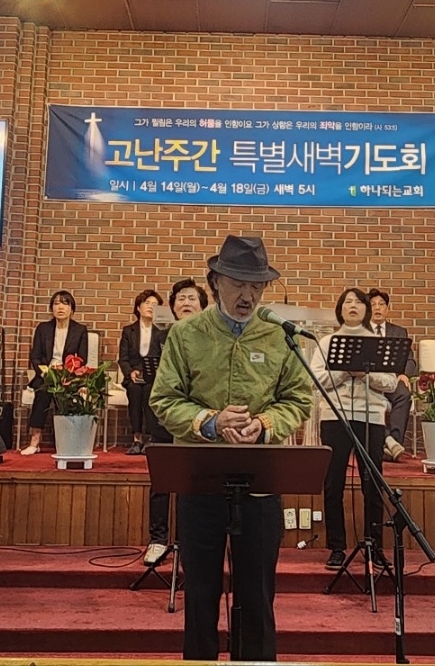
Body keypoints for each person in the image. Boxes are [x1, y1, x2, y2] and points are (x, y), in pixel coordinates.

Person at [149, 235, 313, 662]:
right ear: (215, 281)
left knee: (257, 597)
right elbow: (164, 400)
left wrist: (265, 424)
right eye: (238, 283)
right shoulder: (186, 334)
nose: (248, 295)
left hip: (260, 484)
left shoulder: (279, 336)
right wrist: (211, 421)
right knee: (200, 594)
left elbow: (298, 400)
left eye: (257, 286)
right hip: (200, 480)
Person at [311, 287, 397, 571]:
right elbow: (315, 379)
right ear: (340, 309)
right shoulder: (327, 342)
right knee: (333, 482)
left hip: (370, 417)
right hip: (334, 416)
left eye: (359, 302)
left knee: (372, 482)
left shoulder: (377, 343)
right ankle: (336, 547)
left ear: (366, 310)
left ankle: (375, 546)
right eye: (347, 302)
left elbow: (390, 383)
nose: (353, 306)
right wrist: (344, 370)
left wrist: (363, 374)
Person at [139, 278, 209, 567]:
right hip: (165, 417)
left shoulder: (209, 338)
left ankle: (185, 541)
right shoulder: (160, 337)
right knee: (162, 481)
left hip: (197, 421)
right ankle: (158, 539)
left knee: (191, 484)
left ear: (203, 306)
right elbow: (152, 377)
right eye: (181, 299)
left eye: (192, 298)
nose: (186, 303)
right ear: (172, 306)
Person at [22, 290, 89, 455]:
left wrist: (67, 373)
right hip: (46, 374)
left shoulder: (80, 330)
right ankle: (35, 441)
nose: (60, 307)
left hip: (69, 375)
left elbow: (82, 358)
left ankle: (69, 441)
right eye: (56, 303)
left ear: (72, 309)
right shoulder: (43, 328)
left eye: (65, 304)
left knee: (68, 395)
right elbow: (35, 356)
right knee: (43, 392)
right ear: (51, 308)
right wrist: (44, 372)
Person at [367, 288, 416, 462]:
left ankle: (395, 443)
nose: (377, 308)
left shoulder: (399, 331)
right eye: (373, 304)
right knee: (362, 399)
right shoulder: (361, 331)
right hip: (369, 380)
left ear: (387, 309)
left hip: (392, 379)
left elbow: (410, 359)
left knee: (404, 394)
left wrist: (404, 375)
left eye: (381, 304)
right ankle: (386, 440)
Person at [118, 289, 164, 455]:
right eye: (147, 303)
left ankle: (152, 437)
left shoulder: (162, 331)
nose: (151, 307)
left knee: (150, 393)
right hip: (134, 376)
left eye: (155, 304)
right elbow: (123, 359)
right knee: (135, 391)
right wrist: (130, 372)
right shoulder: (128, 331)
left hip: (155, 376)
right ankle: (137, 438)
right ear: (138, 307)